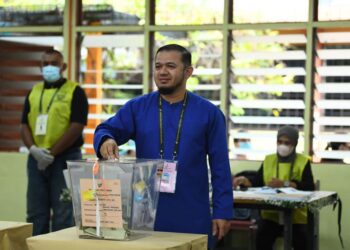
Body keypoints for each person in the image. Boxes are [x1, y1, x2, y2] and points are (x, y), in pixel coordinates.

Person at [93, 44, 233, 247]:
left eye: (170, 66)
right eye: (158, 66)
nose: (162, 72)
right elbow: (106, 129)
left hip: (192, 213)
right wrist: (107, 139)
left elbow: (220, 167)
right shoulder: (137, 107)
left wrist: (223, 211)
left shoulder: (209, 114)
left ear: (188, 72)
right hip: (145, 215)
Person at [20, 49, 89, 235]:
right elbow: (24, 125)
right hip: (36, 159)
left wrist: (52, 153)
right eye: (45, 63)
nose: (49, 67)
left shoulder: (75, 91)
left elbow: (77, 126)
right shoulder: (33, 92)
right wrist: (34, 150)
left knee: (64, 213)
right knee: (35, 213)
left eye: (54, 63)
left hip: (65, 158)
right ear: (40, 66)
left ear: (63, 66)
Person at [233, 126, 315, 250]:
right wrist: (245, 181)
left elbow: (309, 186)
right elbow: (258, 183)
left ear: (295, 144)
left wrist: (285, 183)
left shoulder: (303, 162)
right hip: (271, 215)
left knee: (302, 241)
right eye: (280, 142)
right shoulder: (269, 159)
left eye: (287, 143)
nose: (283, 145)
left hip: (296, 217)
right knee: (262, 238)